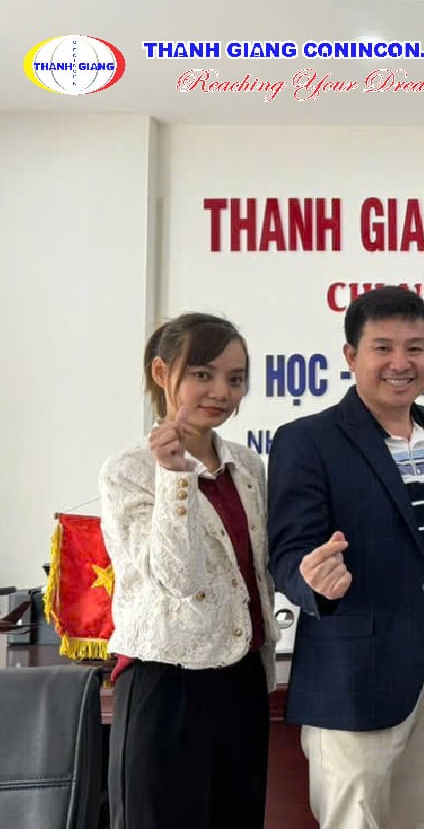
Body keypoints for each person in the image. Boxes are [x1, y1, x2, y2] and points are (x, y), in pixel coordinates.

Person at [268, 287, 424, 829]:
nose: (400, 363)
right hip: (354, 679)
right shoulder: (307, 440)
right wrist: (313, 582)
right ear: (351, 356)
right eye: (383, 348)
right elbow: (289, 551)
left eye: (415, 348)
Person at [100, 312, 277, 829]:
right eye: (203, 374)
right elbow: (179, 578)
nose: (221, 391)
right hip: (167, 683)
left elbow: (256, 572)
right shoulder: (129, 471)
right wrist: (175, 476)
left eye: (235, 378)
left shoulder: (247, 466)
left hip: (244, 680)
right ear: (162, 373)